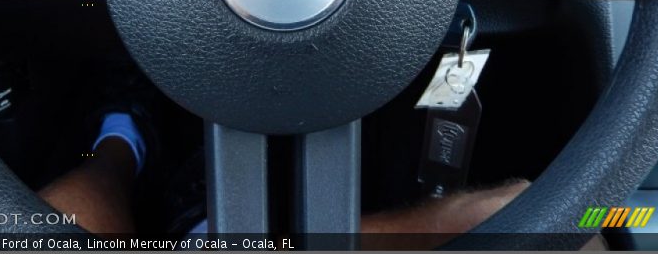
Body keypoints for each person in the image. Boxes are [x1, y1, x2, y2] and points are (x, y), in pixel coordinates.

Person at [38, 111, 530, 248]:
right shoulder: (612, 213)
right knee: (560, 223)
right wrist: (609, 211)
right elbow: (602, 215)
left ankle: (123, 142)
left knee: (35, 236)